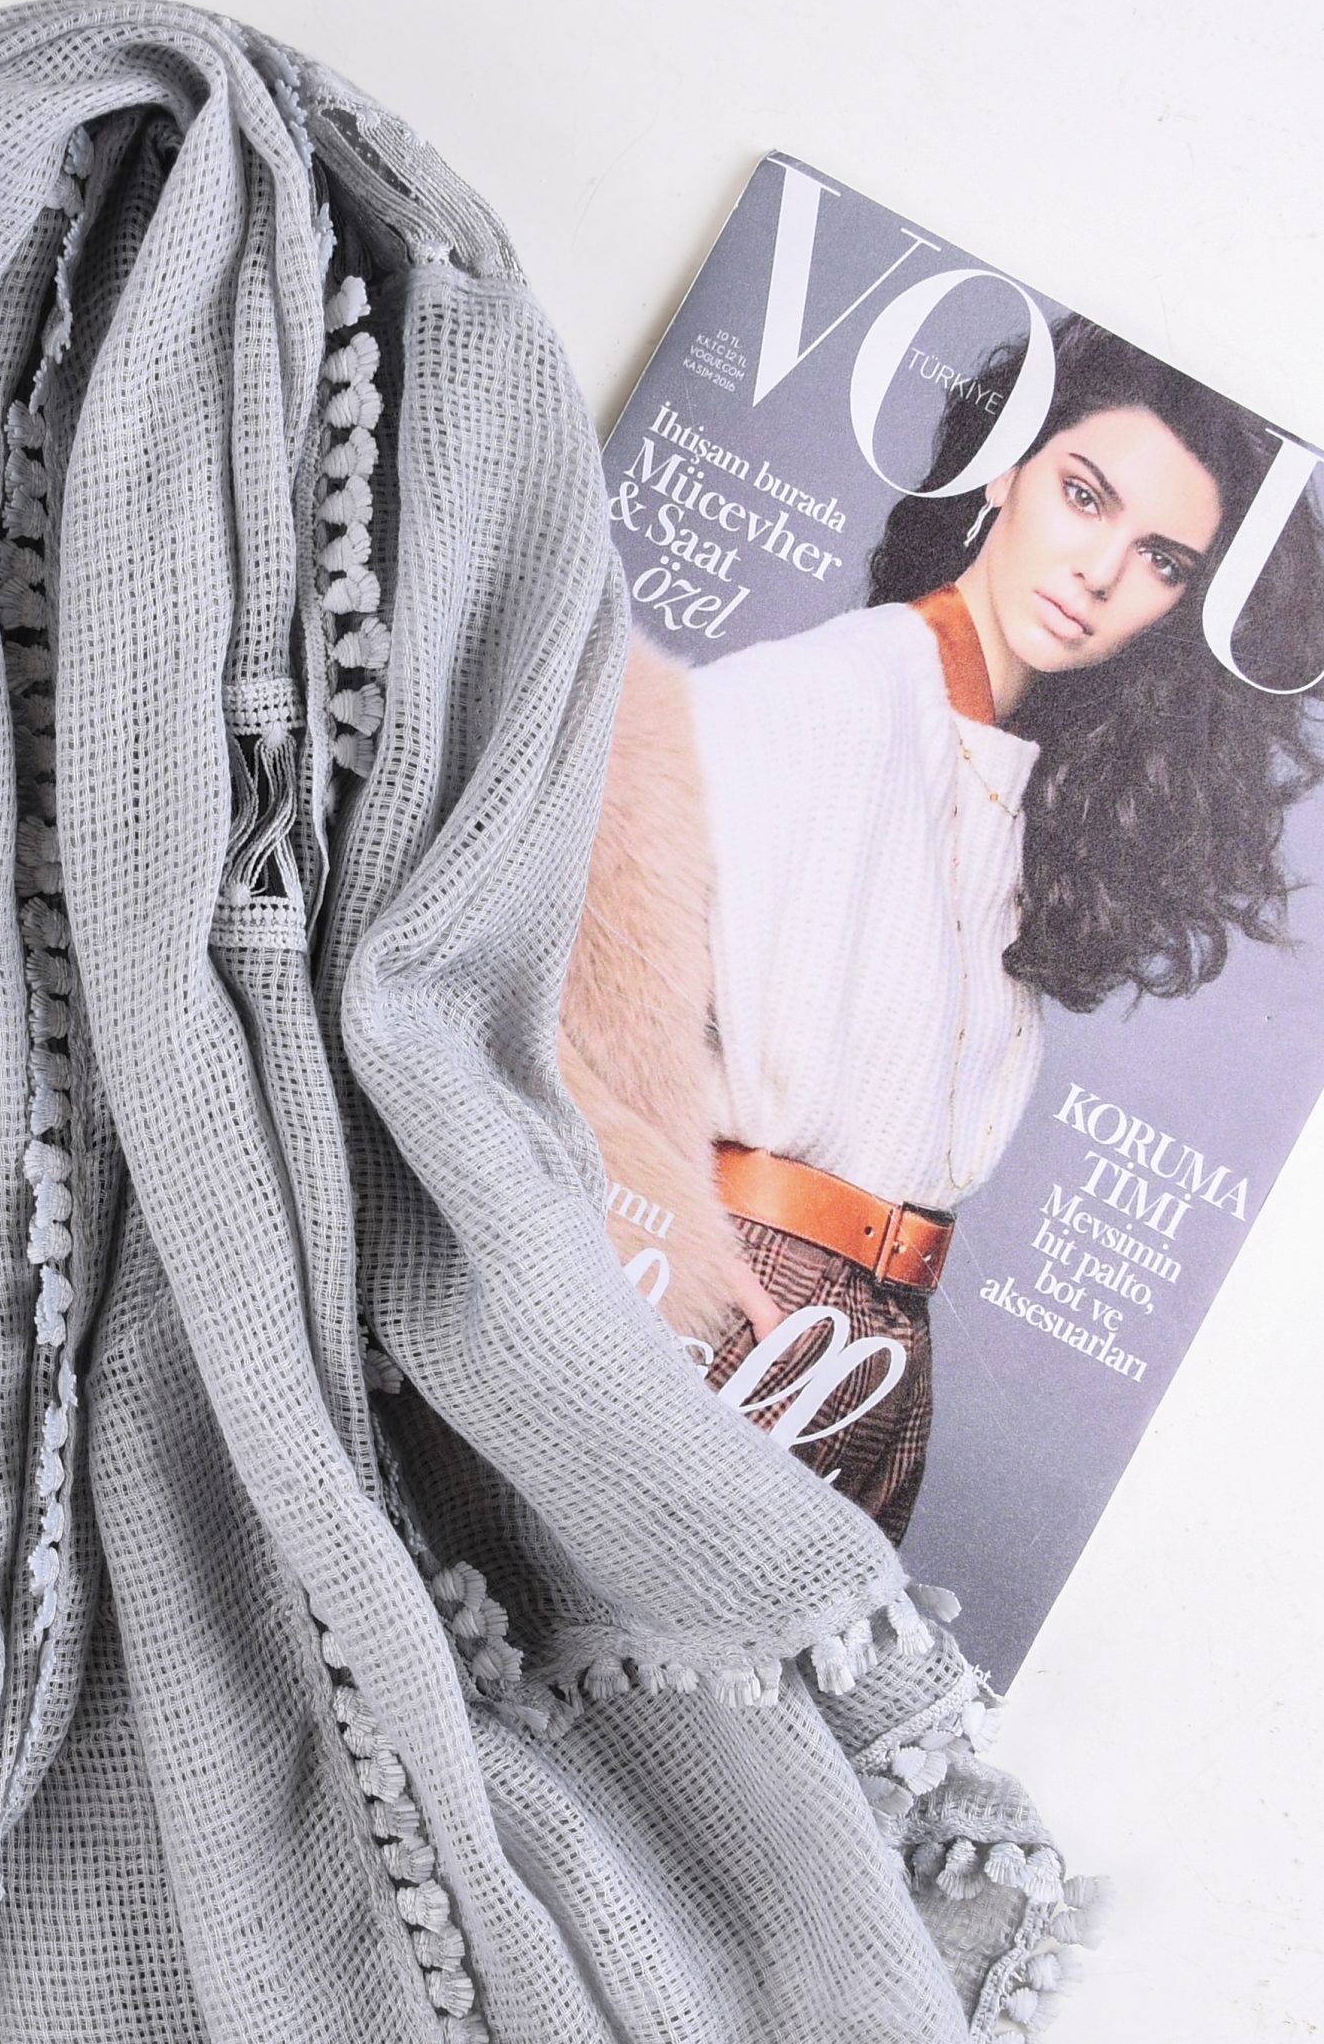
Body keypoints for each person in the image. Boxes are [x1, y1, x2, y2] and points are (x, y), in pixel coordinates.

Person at [564, 315, 1324, 1541]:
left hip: (876, 1355)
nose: (1098, 572)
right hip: (732, 1326)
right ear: (1002, 470)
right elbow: (551, 980)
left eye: (1161, 561)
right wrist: (666, 1240)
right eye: (1083, 496)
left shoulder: (1019, 790)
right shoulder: (827, 696)